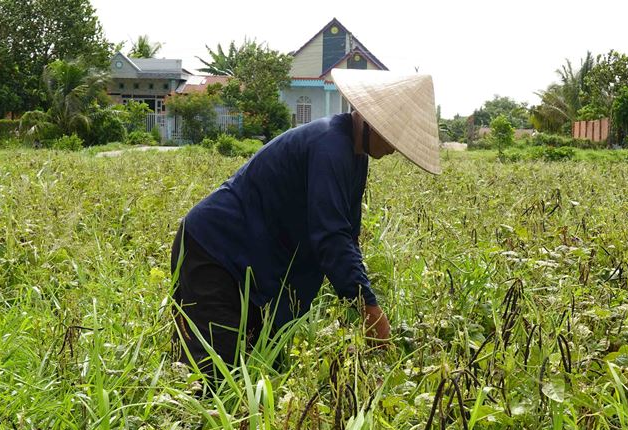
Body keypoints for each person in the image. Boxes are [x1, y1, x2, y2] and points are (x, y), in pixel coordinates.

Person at [171, 68, 441, 377]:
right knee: (214, 374)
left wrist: (361, 293)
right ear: (369, 121)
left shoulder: (355, 156)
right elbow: (330, 237)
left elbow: (348, 235)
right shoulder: (329, 144)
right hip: (215, 249)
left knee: (262, 367)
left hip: (251, 260)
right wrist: (369, 308)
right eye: (393, 137)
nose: (394, 149)